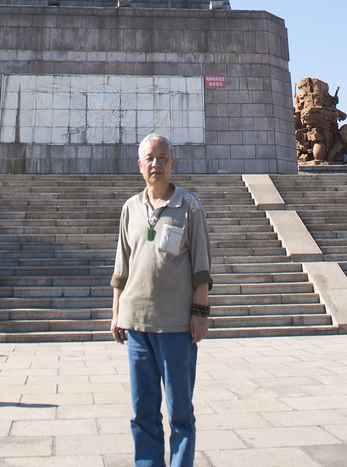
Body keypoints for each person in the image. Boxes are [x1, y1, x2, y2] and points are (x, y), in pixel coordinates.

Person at [111, 134, 212, 467]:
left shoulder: (190, 206)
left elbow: (201, 268)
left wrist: (199, 313)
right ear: (140, 165)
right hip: (137, 325)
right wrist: (116, 313)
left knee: (180, 413)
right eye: (149, 159)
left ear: (173, 164)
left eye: (162, 158)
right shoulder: (130, 208)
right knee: (143, 412)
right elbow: (121, 268)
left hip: (176, 327)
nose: (156, 164)